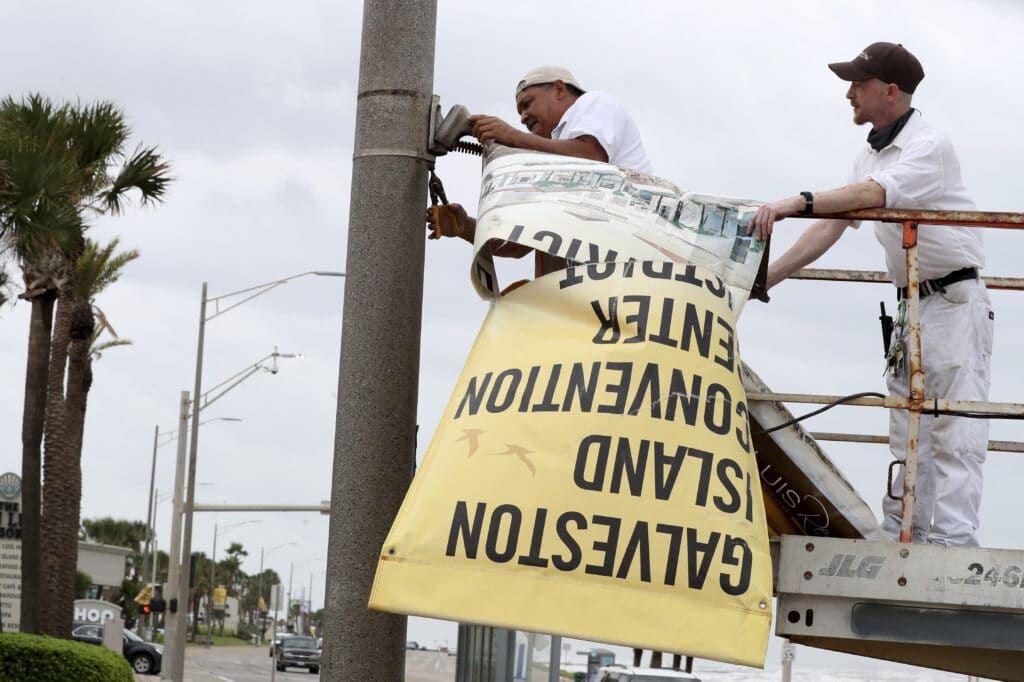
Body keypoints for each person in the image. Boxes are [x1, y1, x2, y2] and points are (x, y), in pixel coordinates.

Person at [747, 42, 993, 546]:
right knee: (907, 429)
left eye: (858, 84)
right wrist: (769, 277)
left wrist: (799, 202)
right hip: (912, 306)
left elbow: (871, 197)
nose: (849, 93)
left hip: (953, 301)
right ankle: (906, 533)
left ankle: (950, 544)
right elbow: (837, 222)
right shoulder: (871, 152)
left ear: (890, 91)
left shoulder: (929, 146)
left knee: (955, 429)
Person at [427, 65, 652, 245]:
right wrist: (464, 226)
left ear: (559, 89)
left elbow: (590, 156)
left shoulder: (593, 103)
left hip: (636, 243)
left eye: (527, 103)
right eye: (520, 112)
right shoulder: (551, 159)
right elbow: (518, 244)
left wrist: (513, 137)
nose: (524, 117)